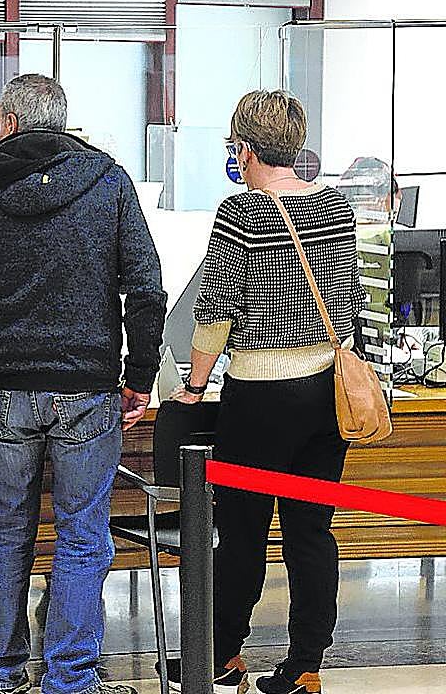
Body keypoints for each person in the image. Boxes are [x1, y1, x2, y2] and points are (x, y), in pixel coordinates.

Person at [0, 73, 166, 694]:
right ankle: (69, 679)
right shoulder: (109, 183)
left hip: (1, 389)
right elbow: (145, 288)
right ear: (61, 123)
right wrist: (139, 378)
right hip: (87, 388)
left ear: (8, 122)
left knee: (7, 531)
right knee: (81, 534)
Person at [172, 91, 367, 694]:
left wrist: (194, 384)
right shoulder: (337, 206)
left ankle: (223, 655)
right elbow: (351, 297)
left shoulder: (239, 214)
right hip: (325, 397)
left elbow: (216, 312)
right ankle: (305, 664)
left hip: (260, 396)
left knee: (244, 532)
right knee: (311, 532)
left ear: (245, 149)